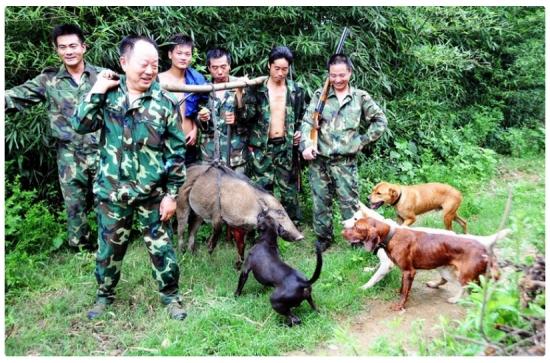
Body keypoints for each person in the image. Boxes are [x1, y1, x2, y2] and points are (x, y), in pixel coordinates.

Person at [71, 35, 187, 320]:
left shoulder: (165, 103)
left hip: (152, 194)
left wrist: (172, 195)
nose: (149, 70)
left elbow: (176, 152)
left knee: (162, 249)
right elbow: (80, 124)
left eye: (155, 65)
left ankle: (171, 298)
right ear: (124, 63)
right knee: (108, 249)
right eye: (143, 64)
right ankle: (104, 296)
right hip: (112, 193)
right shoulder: (108, 94)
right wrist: (97, 88)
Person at [5, 24, 102, 252]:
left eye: (73, 46)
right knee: (74, 204)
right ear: (57, 50)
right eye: (63, 47)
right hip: (68, 153)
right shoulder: (48, 80)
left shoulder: (102, 76)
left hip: (101, 149)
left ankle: (108, 246)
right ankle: (80, 249)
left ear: (83, 47)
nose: (68, 51)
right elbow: (16, 96)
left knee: (105, 201)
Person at [300, 53, 388, 251]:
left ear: (350, 72)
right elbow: (307, 122)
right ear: (328, 75)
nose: (337, 80)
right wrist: (307, 144)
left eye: (342, 75)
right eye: (333, 75)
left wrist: (361, 141)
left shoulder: (360, 97)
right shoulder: (319, 96)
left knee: (349, 203)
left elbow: (381, 121)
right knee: (320, 202)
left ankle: (357, 240)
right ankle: (323, 239)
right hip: (319, 160)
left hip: (345, 162)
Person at [242, 46, 305, 224]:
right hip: (262, 147)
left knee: (288, 188)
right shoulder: (257, 89)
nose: (280, 73)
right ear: (269, 66)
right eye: (276, 68)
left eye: (284, 69)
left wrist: (300, 131)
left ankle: (291, 225)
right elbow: (246, 117)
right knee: (261, 188)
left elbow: (303, 116)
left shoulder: (295, 90)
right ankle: (261, 224)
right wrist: (241, 93)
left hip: (285, 146)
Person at [158, 33, 208, 166]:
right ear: (170, 54)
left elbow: (199, 108)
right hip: (164, 143)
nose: (183, 57)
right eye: (179, 53)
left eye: (187, 54)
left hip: (188, 141)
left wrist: (195, 130)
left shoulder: (196, 80)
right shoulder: (159, 80)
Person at [199, 47, 247, 173]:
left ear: (229, 66)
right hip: (210, 154)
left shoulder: (241, 85)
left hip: (235, 155)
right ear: (209, 68)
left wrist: (237, 119)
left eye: (223, 67)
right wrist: (202, 119)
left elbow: (252, 117)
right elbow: (195, 119)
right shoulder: (202, 89)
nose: (220, 71)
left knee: (237, 190)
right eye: (214, 68)